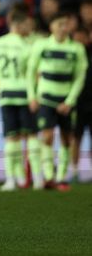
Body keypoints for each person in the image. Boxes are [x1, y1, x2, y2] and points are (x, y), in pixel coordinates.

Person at [0, 6, 43, 191]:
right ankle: (38, 179)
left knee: (11, 138)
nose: (29, 28)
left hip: (5, 93)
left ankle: (11, 180)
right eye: (26, 25)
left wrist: (0, 76)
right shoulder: (28, 45)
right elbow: (36, 73)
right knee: (31, 135)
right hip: (25, 93)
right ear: (18, 24)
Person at [27, 12, 88, 190]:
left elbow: (79, 77)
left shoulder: (76, 49)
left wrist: (69, 101)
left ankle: (62, 177)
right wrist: (32, 96)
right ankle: (48, 176)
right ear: (51, 26)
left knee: (67, 139)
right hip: (46, 98)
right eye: (59, 24)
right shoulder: (41, 45)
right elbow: (31, 72)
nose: (62, 28)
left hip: (66, 100)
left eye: (65, 24)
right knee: (46, 136)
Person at [70, 27, 92, 183]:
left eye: (81, 37)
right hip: (77, 103)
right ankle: (75, 171)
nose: (79, 40)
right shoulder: (71, 55)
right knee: (75, 138)